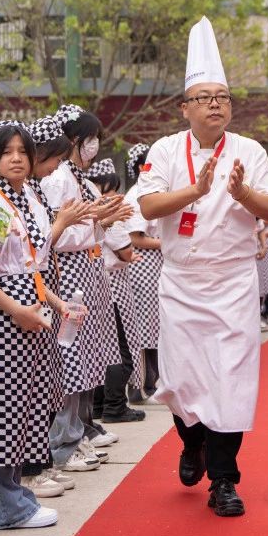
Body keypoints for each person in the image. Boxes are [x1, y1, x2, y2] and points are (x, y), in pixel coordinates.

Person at [138, 16, 268, 517]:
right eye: (205, 97)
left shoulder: (249, 150)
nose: (216, 104)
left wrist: (242, 192)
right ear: (186, 108)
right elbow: (150, 207)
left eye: (223, 96)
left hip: (233, 281)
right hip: (181, 283)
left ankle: (225, 480)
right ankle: (191, 439)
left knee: (231, 380)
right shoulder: (162, 151)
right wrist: (197, 190)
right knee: (179, 379)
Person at [0, 120, 83, 530]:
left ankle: (17, 495)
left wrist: (56, 303)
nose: (17, 159)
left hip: (30, 314)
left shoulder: (25, 202)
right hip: (5, 320)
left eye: (23, 151)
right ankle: (4, 506)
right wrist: (16, 310)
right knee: (3, 408)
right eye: (7, 153)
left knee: (27, 406)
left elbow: (31, 267)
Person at [38, 106, 130, 473]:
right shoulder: (59, 178)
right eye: (89, 138)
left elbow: (84, 228)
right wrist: (96, 218)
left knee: (87, 360)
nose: (94, 145)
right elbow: (56, 235)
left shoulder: (82, 180)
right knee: (71, 359)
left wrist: (104, 219)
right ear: (73, 140)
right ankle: (62, 442)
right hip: (72, 271)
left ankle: (76, 434)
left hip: (89, 268)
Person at [87, 158, 147, 423]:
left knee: (103, 347)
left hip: (106, 281)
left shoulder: (95, 211)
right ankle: (114, 405)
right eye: (107, 190)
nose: (111, 196)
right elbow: (125, 250)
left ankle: (101, 405)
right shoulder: (106, 214)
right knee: (119, 348)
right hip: (111, 285)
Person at [123, 143, 163, 402]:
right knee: (145, 328)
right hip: (143, 264)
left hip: (155, 263)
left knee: (154, 327)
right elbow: (135, 237)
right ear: (141, 167)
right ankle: (140, 386)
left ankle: (150, 382)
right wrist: (167, 243)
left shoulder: (151, 191)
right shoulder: (137, 194)